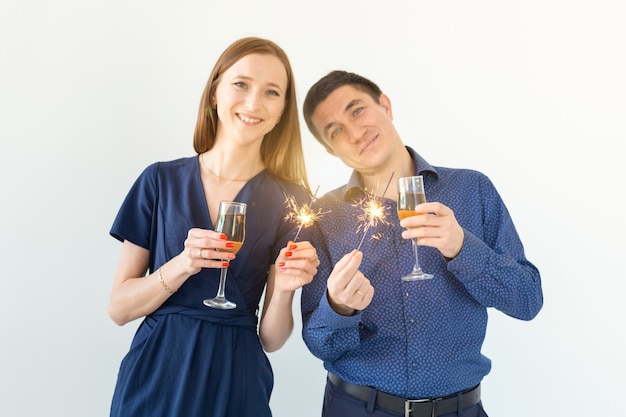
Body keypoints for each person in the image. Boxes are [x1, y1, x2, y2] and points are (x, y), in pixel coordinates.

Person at [300, 70, 543, 417]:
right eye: (336, 130)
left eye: (357, 111)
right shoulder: (324, 216)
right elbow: (320, 345)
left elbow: (528, 300)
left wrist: (463, 248)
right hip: (354, 408)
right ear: (329, 148)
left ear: (385, 105)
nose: (355, 133)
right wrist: (337, 307)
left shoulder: (472, 190)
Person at [107, 37, 320, 417]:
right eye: (241, 84)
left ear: (282, 111)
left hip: (236, 378)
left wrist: (285, 290)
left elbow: (271, 338)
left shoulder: (292, 200)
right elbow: (119, 309)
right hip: (157, 373)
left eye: (271, 92)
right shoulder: (158, 181)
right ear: (214, 92)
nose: (254, 103)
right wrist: (183, 264)